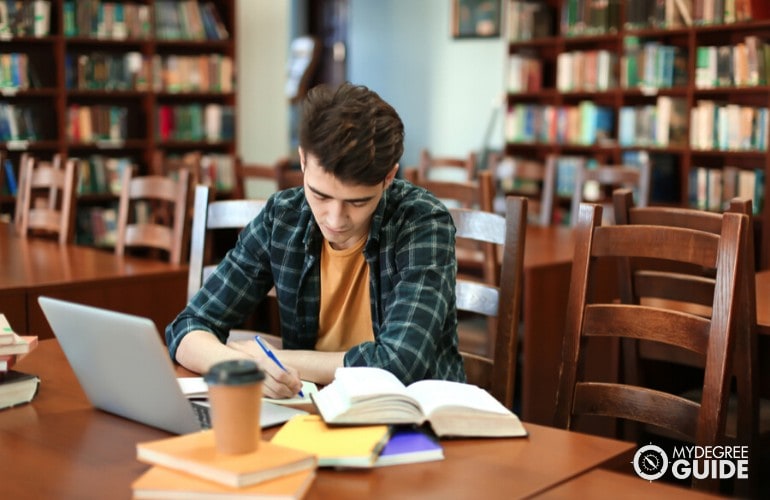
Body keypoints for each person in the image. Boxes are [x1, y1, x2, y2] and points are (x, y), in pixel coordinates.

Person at [166, 82, 465, 398]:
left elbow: (400, 364)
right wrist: (246, 365)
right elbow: (187, 328)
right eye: (320, 195)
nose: (335, 220)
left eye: (358, 202)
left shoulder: (422, 222)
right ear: (303, 160)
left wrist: (275, 360)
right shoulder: (283, 217)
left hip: (412, 417)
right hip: (312, 410)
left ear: (389, 177)